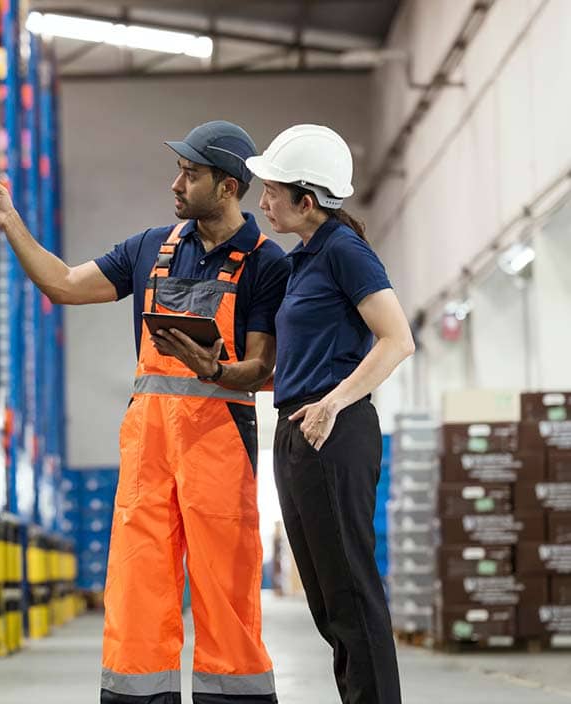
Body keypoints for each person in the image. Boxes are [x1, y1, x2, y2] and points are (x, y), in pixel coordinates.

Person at [0, 120, 289, 704]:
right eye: (179, 172)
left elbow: (263, 366)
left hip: (222, 445)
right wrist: (11, 222)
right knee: (137, 589)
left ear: (228, 187)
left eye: (191, 175)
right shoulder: (148, 248)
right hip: (148, 446)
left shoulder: (267, 264)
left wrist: (214, 369)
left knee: (227, 594)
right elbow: (64, 284)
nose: (176, 184)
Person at [247, 124, 414, 704]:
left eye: (271, 192)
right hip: (299, 427)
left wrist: (333, 402)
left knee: (351, 595)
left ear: (307, 200)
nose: (262, 203)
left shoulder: (344, 251)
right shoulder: (303, 260)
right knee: (327, 601)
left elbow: (397, 339)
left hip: (334, 430)